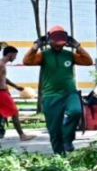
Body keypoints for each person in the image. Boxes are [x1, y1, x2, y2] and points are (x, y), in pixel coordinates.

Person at [22, 26, 93, 155]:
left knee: (75, 111)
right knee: (54, 131)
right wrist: (35, 46)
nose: (58, 46)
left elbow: (88, 61)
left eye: (61, 44)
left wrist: (77, 46)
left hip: (69, 93)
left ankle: (68, 139)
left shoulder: (69, 55)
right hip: (51, 96)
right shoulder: (43, 55)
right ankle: (60, 158)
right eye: (56, 43)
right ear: (49, 41)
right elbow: (27, 61)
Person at [0, 46, 36, 142]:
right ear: (10, 54)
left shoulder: (2, 64)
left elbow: (4, 79)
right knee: (14, 112)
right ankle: (22, 135)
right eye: (15, 55)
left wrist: (15, 86)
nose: (15, 58)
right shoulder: (1, 65)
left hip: (3, 92)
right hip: (1, 93)